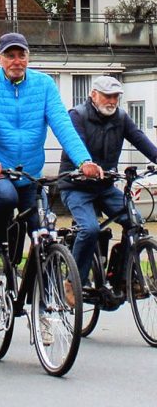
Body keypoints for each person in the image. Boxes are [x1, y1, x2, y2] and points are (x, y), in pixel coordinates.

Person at [0, 33, 101, 304]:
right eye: (10, 56)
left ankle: (44, 307)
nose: (16, 61)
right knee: (6, 197)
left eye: (21, 55)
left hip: (29, 174)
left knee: (44, 233)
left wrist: (84, 161)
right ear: (0, 59)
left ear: (28, 57)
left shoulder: (44, 85)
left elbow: (62, 125)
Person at [58, 75, 157, 297]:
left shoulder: (121, 117)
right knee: (90, 228)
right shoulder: (78, 116)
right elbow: (76, 144)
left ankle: (122, 278)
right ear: (93, 95)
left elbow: (139, 139)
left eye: (115, 97)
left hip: (104, 186)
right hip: (76, 187)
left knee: (135, 223)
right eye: (107, 96)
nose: (112, 101)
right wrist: (85, 165)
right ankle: (73, 283)